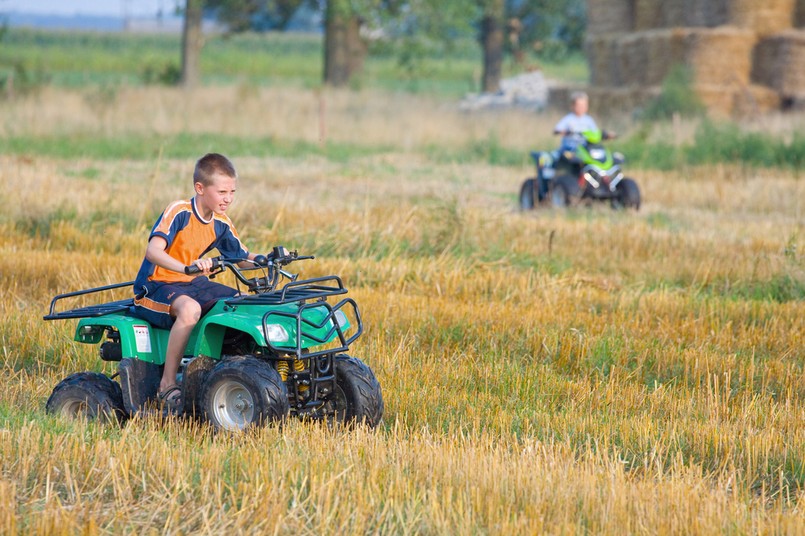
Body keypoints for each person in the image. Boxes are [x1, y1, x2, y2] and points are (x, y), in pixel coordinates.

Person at [132, 153, 259, 414]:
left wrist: (266, 260)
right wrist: (186, 268)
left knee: (239, 303)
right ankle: (167, 383)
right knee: (190, 311)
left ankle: (230, 372)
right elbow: (153, 251)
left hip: (190, 282)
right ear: (200, 188)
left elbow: (241, 257)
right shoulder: (179, 212)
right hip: (156, 285)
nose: (229, 198)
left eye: (233, 191)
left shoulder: (221, 222)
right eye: (222, 191)